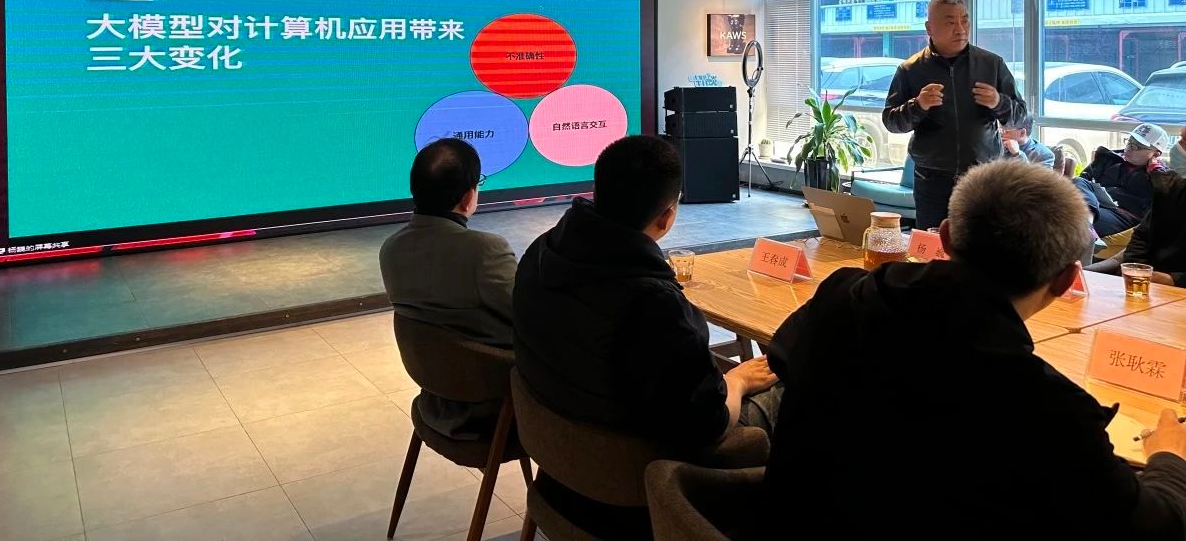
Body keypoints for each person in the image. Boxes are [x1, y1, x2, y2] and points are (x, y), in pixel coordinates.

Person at [758, 159, 1186, 538]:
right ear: (1065, 280)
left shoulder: (842, 294)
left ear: (945, 237)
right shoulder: (1047, 407)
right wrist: (1170, 456)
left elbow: (783, 360)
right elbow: (1155, 526)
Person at [513, 135, 777, 540]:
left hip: (563, 471)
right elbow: (706, 427)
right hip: (637, 494)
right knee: (793, 386)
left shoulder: (540, 254)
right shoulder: (652, 304)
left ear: (597, 190)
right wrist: (737, 380)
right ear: (667, 216)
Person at [379, 138, 516, 440]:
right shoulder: (483, 251)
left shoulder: (391, 249)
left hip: (435, 399)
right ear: (467, 198)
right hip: (497, 406)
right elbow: (530, 315)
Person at [882, 0, 1026, 229]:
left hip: (983, 179)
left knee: (982, 244)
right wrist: (918, 105)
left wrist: (998, 102)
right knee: (933, 245)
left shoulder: (991, 64)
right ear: (929, 28)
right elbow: (891, 121)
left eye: (965, 20)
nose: (960, 29)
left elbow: (1021, 118)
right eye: (950, 22)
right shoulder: (911, 70)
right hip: (932, 181)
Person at [1074, 123, 1170, 238]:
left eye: (1137, 147)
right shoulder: (1108, 158)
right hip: (1094, 204)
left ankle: (1087, 224)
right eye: (1129, 142)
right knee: (1078, 181)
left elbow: (1166, 204)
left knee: (1073, 217)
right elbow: (1083, 180)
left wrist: (1155, 171)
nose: (1129, 148)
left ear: (1156, 154)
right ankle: (1088, 224)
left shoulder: (1160, 175)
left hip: (1122, 215)